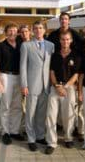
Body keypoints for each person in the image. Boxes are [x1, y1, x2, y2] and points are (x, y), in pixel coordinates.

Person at [20, 20, 55, 151]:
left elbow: (52, 66)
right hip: (32, 84)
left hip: (46, 85)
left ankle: (40, 136)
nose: (38, 30)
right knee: (30, 113)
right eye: (36, 28)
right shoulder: (26, 45)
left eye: (41, 28)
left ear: (44, 30)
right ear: (33, 31)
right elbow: (22, 67)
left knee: (41, 113)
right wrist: (24, 85)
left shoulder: (51, 45)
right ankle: (31, 138)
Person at [45, 31, 81, 154]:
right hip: (56, 87)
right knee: (51, 115)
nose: (65, 42)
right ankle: (51, 142)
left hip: (69, 87)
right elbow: (52, 72)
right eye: (63, 39)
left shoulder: (75, 55)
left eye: (67, 39)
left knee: (69, 114)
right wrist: (57, 86)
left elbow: (76, 74)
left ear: (70, 40)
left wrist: (65, 87)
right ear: (60, 41)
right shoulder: (54, 55)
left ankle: (68, 138)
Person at [0, 23, 24, 145]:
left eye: (14, 31)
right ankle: (5, 132)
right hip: (5, 76)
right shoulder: (0, 46)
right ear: (6, 32)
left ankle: (15, 131)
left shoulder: (21, 46)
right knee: (5, 106)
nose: (12, 33)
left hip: (19, 77)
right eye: (10, 30)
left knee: (17, 106)